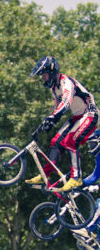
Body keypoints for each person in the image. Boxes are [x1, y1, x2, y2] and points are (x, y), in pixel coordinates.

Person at [26, 56, 98, 191]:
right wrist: (47, 123)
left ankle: (76, 178)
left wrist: (53, 116)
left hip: (90, 114)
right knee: (56, 141)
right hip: (78, 116)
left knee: (70, 141)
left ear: (52, 72)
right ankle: (45, 174)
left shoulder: (67, 83)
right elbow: (57, 108)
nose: (43, 79)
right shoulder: (54, 88)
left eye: (44, 75)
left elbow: (65, 104)